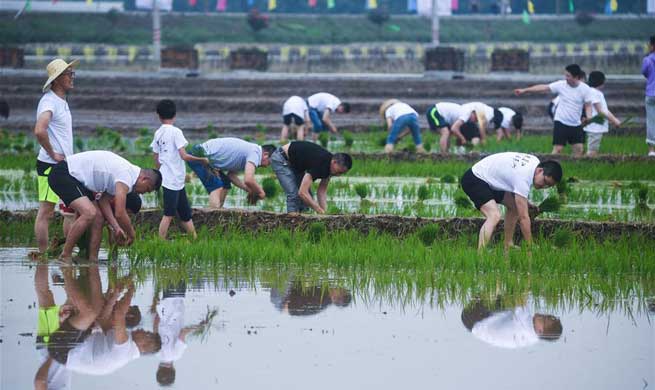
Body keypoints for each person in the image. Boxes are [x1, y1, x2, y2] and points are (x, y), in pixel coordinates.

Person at [47, 151, 162, 261]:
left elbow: (103, 200)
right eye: (147, 189)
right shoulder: (126, 175)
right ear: (144, 179)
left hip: (79, 182)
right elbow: (120, 213)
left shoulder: (128, 175)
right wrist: (132, 234)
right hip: (64, 173)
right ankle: (65, 255)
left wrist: (116, 228)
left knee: (98, 218)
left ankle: (92, 260)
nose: (143, 193)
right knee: (89, 213)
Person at [460, 152, 562, 250]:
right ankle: (480, 255)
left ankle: (508, 244)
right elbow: (523, 218)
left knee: (514, 208)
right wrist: (530, 246)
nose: (543, 186)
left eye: (548, 186)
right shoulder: (524, 177)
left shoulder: (534, 162)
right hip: (475, 178)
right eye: (545, 181)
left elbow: (514, 181)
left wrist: (525, 203)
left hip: (491, 181)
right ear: (539, 171)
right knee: (494, 216)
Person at [33, 58, 79, 258]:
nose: (72, 78)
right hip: (50, 164)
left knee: (70, 210)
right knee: (46, 212)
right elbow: (39, 130)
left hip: (64, 165)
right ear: (57, 79)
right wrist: (53, 153)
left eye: (72, 74)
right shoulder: (49, 101)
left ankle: (67, 252)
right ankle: (43, 254)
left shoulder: (61, 100)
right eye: (69, 74)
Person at [151, 99, 209, 240]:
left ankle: (195, 240)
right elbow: (184, 155)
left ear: (159, 115)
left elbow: (156, 157)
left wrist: (160, 173)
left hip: (174, 180)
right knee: (169, 214)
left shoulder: (158, 133)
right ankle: (160, 242)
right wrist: (202, 160)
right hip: (172, 180)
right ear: (175, 115)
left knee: (185, 212)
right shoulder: (176, 132)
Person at [514, 64, 594, 157]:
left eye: (568, 76)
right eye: (565, 75)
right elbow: (544, 87)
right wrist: (525, 90)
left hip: (576, 123)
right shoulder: (561, 85)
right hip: (561, 121)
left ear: (576, 77)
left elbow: (588, 106)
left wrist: (589, 117)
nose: (566, 78)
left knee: (578, 150)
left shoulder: (585, 89)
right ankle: (550, 167)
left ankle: (576, 168)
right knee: (558, 150)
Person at [187, 138, 275, 209]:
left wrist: (249, 190)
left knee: (225, 183)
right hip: (198, 155)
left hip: (207, 160)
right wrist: (260, 192)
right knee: (217, 186)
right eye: (269, 162)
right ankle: (213, 216)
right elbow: (248, 180)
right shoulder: (255, 153)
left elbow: (231, 176)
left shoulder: (251, 154)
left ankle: (218, 212)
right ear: (266, 155)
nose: (267, 166)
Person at [270, 141, 352, 213]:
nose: (338, 175)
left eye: (342, 173)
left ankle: (302, 222)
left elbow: (321, 191)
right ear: (334, 162)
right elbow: (302, 192)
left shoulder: (329, 168)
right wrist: (318, 210)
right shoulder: (320, 163)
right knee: (293, 195)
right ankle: (292, 224)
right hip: (281, 159)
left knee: (308, 200)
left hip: (296, 166)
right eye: (339, 172)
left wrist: (325, 213)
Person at [461, 297, 563, 349]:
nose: (543, 315)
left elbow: (520, 297)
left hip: (474, 318)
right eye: (547, 316)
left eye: (545, 319)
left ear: (540, 331)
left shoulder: (527, 328)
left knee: (511, 296)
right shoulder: (530, 337)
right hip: (473, 322)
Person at [584, 71, 622, 157]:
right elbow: (600, 111)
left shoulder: (594, 92)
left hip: (596, 126)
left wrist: (613, 119)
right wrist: (614, 120)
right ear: (601, 82)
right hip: (595, 127)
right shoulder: (594, 93)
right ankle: (587, 164)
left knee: (593, 149)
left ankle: (587, 163)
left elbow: (605, 110)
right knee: (592, 151)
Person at [643, 35, 655, 157]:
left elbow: (645, 73)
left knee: (651, 121)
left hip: (651, 94)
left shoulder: (647, 59)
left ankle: (652, 150)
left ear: (652, 46)